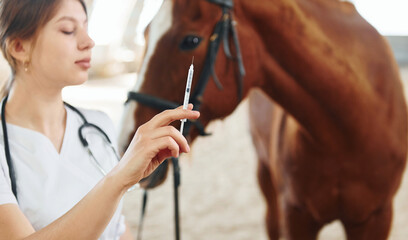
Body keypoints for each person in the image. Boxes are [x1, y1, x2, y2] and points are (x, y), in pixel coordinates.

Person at [0, 0, 200, 239]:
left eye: (86, 27)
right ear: (19, 47)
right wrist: (119, 180)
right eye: (68, 30)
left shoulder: (98, 127)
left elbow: (117, 229)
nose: (89, 42)